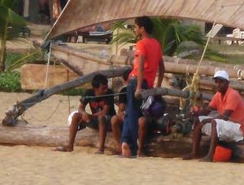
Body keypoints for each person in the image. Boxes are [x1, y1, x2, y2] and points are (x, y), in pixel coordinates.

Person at [120, 16, 165, 158]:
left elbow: (139, 67)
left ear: (142, 29)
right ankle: (125, 142)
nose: (135, 29)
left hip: (136, 81)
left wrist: (138, 86)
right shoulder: (156, 44)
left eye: (136, 27)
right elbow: (162, 67)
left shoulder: (141, 44)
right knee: (130, 112)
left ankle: (131, 146)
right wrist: (157, 86)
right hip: (148, 83)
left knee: (132, 114)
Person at [185, 69, 244, 160]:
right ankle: (194, 152)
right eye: (216, 82)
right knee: (198, 120)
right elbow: (206, 111)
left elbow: (225, 117)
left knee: (215, 121)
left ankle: (210, 155)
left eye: (221, 82)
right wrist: (193, 113)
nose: (218, 85)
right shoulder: (217, 95)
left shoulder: (232, 95)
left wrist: (206, 120)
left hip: (238, 129)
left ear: (227, 83)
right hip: (225, 127)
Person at [57, 74, 115, 153]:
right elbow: (80, 108)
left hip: (108, 120)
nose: (106, 90)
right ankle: (70, 145)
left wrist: (90, 116)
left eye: (106, 87)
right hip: (96, 119)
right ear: (95, 88)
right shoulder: (89, 93)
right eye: (103, 88)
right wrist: (84, 114)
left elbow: (105, 112)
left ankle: (101, 149)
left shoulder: (109, 93)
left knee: (101, 118)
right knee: (76, 116)